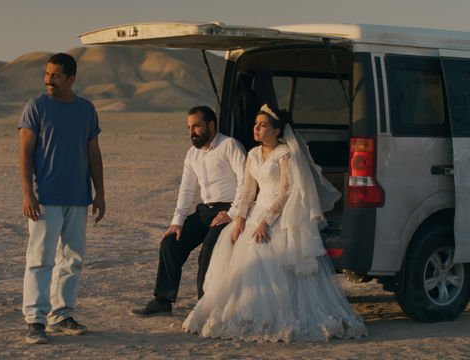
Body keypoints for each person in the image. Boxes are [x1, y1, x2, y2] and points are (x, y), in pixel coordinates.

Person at [182, 104, 367, 342]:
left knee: (263, 249)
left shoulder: (285, 154)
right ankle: (240, 310)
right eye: (256, 125)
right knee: (233, 242)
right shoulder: (252, 154)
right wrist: (240, 219)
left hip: (279, 215)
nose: (256, 129)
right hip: (256, 211)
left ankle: (272, 314)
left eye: (263, 125)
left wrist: (266, 222)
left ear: (277, 130)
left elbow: (285, 193)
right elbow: (248, 192)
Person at [18, 53, 105, 344]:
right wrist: (28, 192)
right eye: (46, 74)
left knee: (72, 259)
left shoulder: (86, 109)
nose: (48, 80)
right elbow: (25, 153)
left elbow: (93, 152)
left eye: (55, 75)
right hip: (45, 198)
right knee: (40, 259)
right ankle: (35, 319)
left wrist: (100, 192)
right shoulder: (36, 107)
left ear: (71, 79)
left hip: (78, 198)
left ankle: (61, 314)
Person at [131, 106, 246, 317]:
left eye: (196, 126)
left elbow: (245, 181)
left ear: (211, 126)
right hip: (205, 211)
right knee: (170, 243)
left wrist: (233, 212)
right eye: (189, 127)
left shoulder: (230, 145)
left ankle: (205, 306)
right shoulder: (192, 154)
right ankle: (162, 300)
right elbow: (186, 189)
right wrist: (178, 222)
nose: (191, 132)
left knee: (208, 252)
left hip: (228, 210)